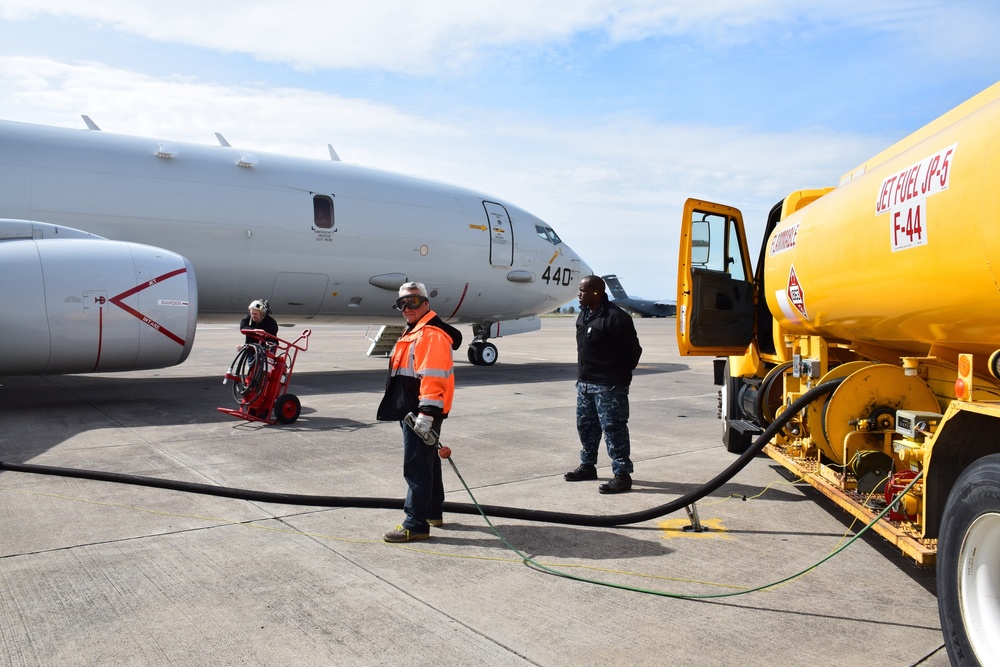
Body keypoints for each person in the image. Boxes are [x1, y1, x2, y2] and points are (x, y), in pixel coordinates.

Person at [377, 282, 462, 542]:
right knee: (427, 462)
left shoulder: (430, 334)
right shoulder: (415, 331)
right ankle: (433, 512)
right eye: (401, 303)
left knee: (416, 467)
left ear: (426, 303)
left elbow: (433, 377)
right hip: (413, 411)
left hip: (420, 413)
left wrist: (426, 413)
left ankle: (415, 523)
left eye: (412, 301)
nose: (406, 308)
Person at [564, 275, 642, 494]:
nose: (579, 294)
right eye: (579, 290)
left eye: (583, 290)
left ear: (596, 292)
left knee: (613, 429)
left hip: (609, 386)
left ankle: (622, 475)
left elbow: (633, 353)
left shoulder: (617, 318)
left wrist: (615, 374)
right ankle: (588, 466)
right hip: (585, 385)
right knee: (586, 427)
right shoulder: (584, 315)